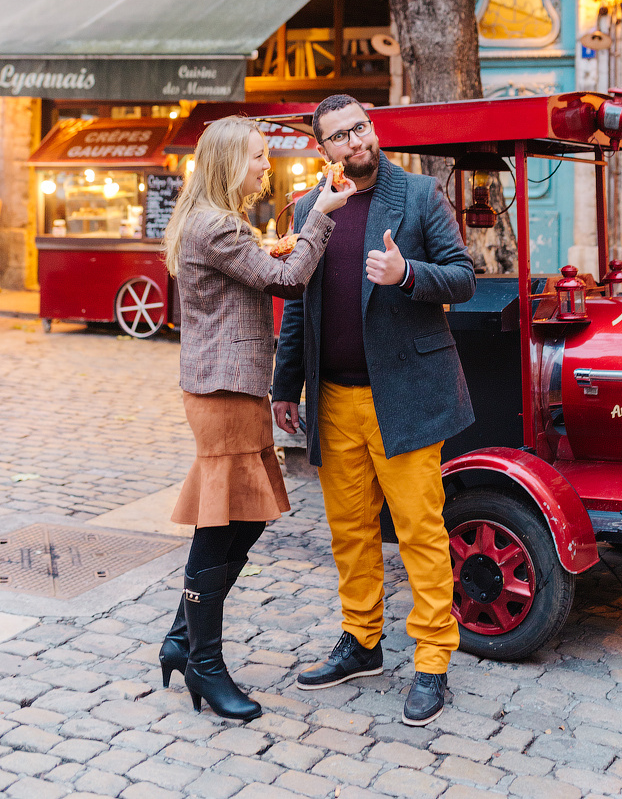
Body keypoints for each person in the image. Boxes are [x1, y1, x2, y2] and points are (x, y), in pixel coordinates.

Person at [273, 93, 476, 727]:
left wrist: (406, 273)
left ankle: (433, 661)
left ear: (373, 130)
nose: (355, 141)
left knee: (419, 531)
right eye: (339, 135)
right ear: (323, 147)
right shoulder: (311, 208)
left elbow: (464, 275)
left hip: (406, 395)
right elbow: (299, 307)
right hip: (332, 397)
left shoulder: (416, 195)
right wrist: (285, 387)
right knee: (350, 532)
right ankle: (361, 643)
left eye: (361, 128)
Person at [159, 115, 355, 721]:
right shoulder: (216, 225)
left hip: (232, 389)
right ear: (226, 164)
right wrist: (320, 212)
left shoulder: (217, 221)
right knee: (221, 526)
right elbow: (286, 279)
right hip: (224, 392)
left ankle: (181, 637)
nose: (265, 165)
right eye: (256, 157)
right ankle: (205, 663)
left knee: (243, 520)